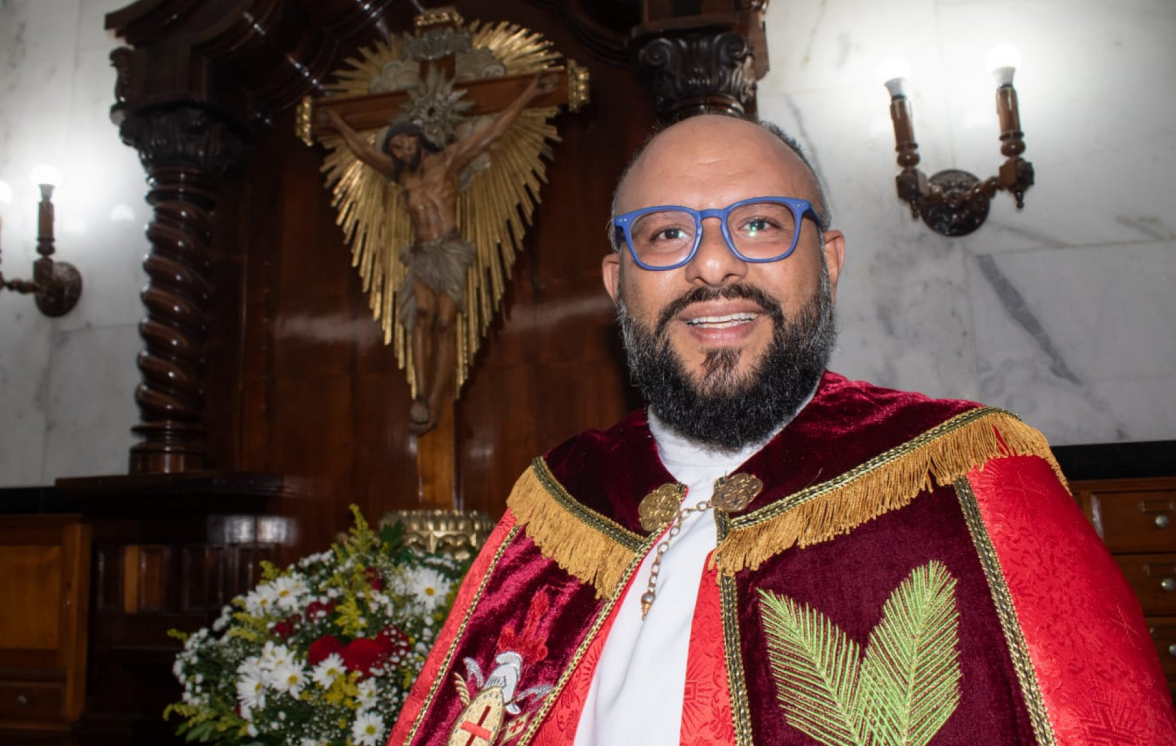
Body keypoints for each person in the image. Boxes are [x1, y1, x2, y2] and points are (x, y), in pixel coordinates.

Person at [386, 115, 1176, 745]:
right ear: (615, 280)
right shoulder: (563, 505)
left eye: (760, 225)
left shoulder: (968, 478)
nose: (712, 267)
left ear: (827, 261)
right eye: (666, 234)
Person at [324, 73, 557, 435]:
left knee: (444, 323)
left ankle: (433, 399)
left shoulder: (449, 161)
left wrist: (528, 94)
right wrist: (337, 122)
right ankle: (418, 394)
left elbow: (492, 133)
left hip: (448, 251)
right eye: (396, 148)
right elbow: (361, 150)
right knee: (421, 314)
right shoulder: (399, 175)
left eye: (405, 145)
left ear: (419, 141)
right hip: (420, 254)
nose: (401, 152)